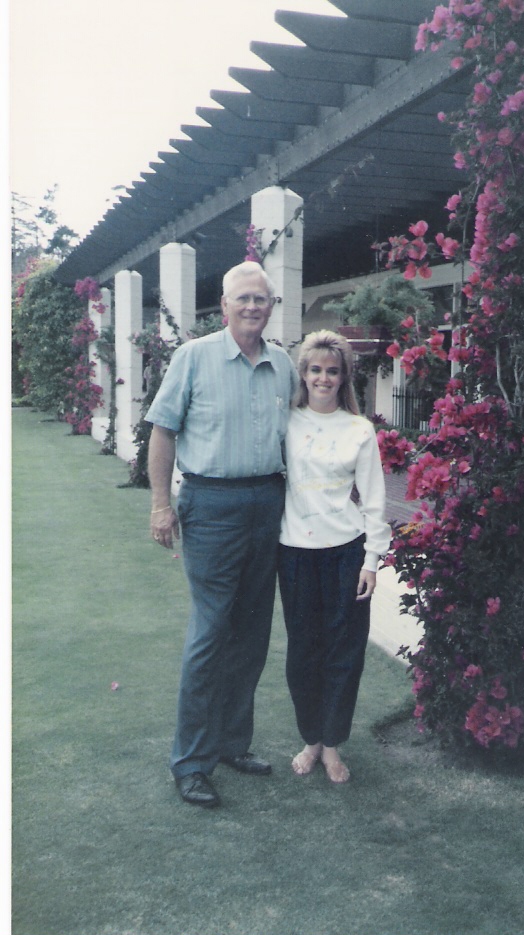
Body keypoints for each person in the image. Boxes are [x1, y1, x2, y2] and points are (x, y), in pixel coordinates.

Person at [146, 261, 298, 808]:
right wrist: (162, 505)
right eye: (244, 299)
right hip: (211, 505)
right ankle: (191, 761)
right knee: (211, 634)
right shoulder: (194, 357)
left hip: (267, 503)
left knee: (253, 635)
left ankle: (234, 743)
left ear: (271, 306)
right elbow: (163, 432)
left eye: (262, 299)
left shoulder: (283, 365)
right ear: (225, 304)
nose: (254, 307)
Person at [278, 330, 391, 784]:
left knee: (345, 653)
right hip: (296, 553)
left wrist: (371, 561)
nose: (323, 378)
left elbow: (375, 501)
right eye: (315, 370)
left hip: (346, 553)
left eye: (332, 370)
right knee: (304, 651)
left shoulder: (359, 430)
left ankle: (332, 745)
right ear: (303, 375)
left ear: (344, 377)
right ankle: (311, 739)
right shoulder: (286, 422)